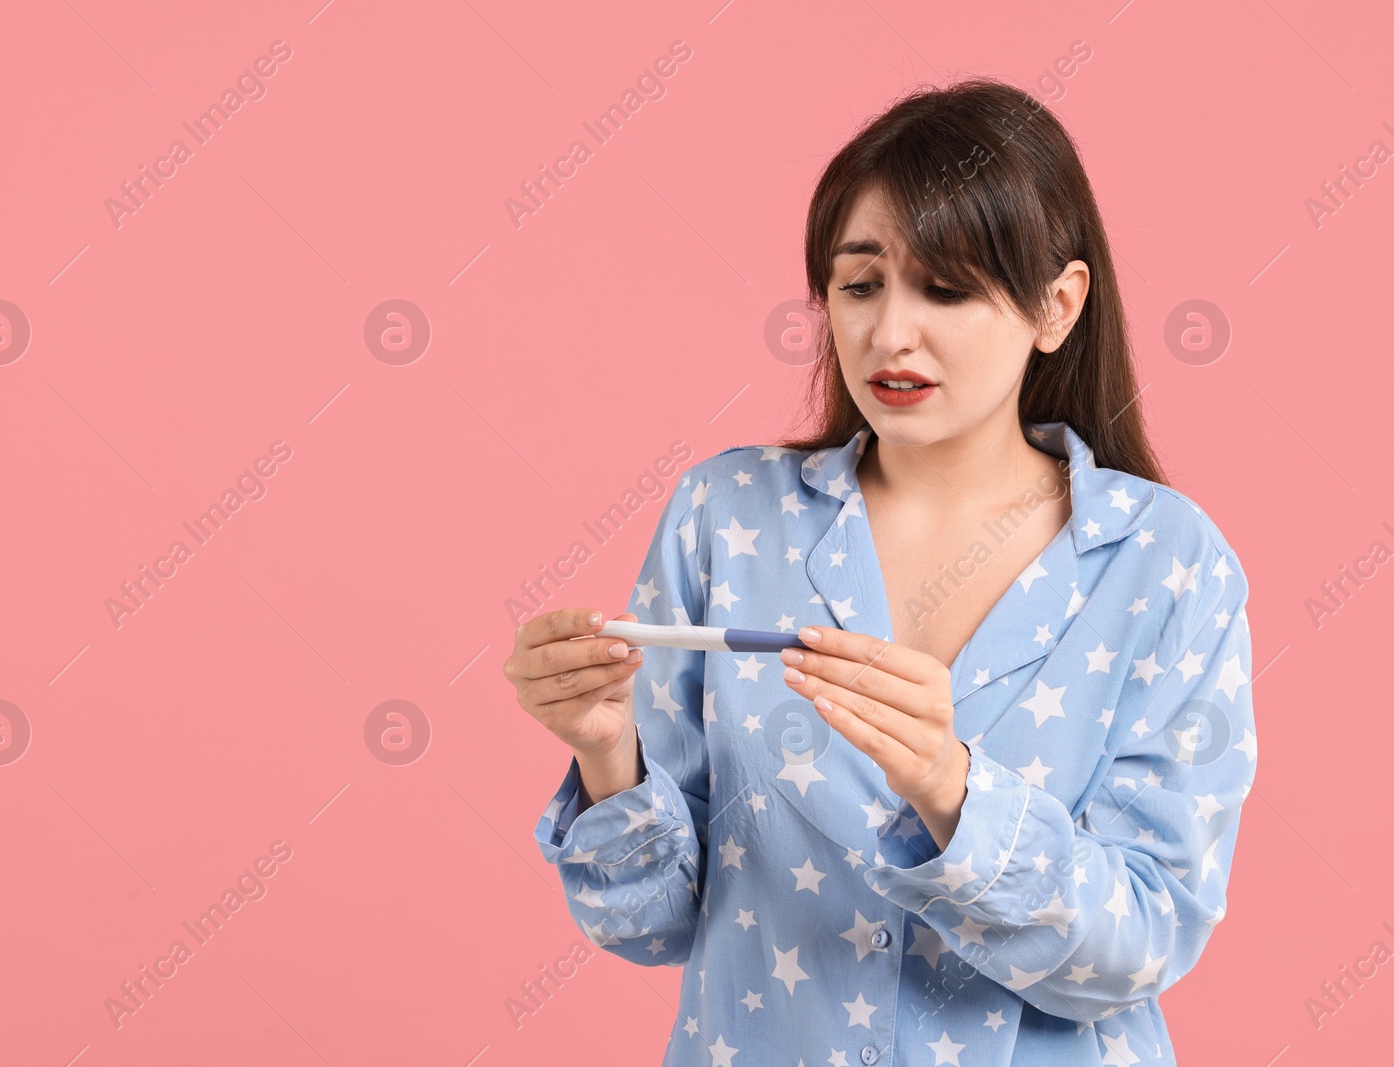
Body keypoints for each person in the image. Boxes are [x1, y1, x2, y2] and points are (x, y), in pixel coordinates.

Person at [504, 76, 1254, 1066]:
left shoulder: (1165, 561)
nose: (889, 333)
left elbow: (1142, 938)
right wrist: (608, 754)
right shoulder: (726, 518)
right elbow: (645, 922)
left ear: (1056, 304)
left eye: (946, 288)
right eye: (860, 284)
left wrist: (949, 787)